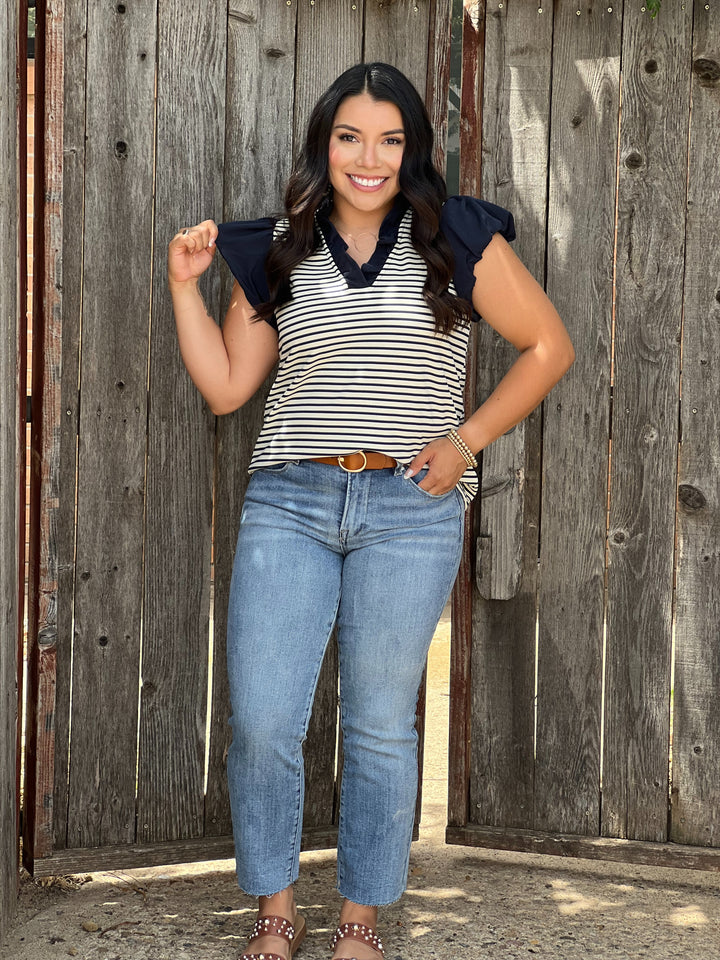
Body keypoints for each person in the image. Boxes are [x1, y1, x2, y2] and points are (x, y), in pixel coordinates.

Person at [168, 61, 573, 960]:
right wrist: (182, 284)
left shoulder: (455, 237)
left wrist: (465, 445)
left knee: (380, 721)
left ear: (413, 149)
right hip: (290, 500)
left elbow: (549, 346)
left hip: (409, 507)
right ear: (324, 143)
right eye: (350, 136)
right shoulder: (277, 247)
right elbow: (231, 387)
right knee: (265, 716)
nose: (369, 157)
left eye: (390, 139)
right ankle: (276, 913)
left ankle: (362, 922)